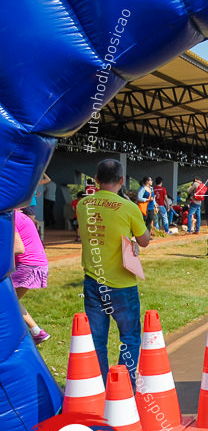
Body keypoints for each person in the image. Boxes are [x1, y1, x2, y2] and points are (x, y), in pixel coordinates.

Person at [76, 159, 150, 383]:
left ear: (96, 180)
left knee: (97, 339)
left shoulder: (83, 205)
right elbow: (144, 241)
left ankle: (100, 387)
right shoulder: (128, 207)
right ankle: (124, 387)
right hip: (122, 285)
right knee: (129, 337)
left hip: (93, 282)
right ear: (122, 181)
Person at [13, 210, 50, 344]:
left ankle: (35, 332)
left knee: (7, 299)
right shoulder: (17, 215)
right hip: (36, 264)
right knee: (10, 299)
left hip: (27, 265)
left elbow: (18, 248)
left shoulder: (9, 217)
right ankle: (36, 332)